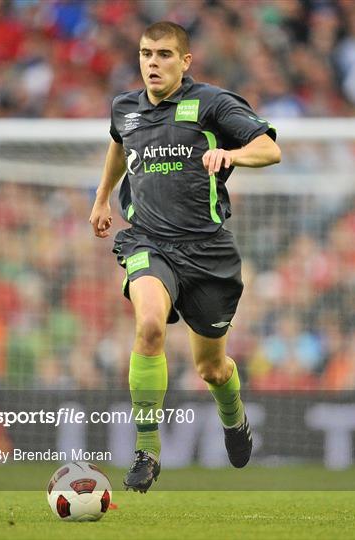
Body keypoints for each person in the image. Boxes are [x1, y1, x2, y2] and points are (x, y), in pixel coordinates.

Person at [89, 21, 281, 493]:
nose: (152, 63)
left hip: (208, 252)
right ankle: (147, 450)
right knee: (149, 325)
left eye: (164, 55)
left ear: (185, 61)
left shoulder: (212, 104)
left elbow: (269, 148)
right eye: (146, 54)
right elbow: (119, 143)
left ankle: (233, 419)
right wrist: (100, 199)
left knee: (211, 369)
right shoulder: (125, 108)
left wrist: (233, 156)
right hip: (148, 240)